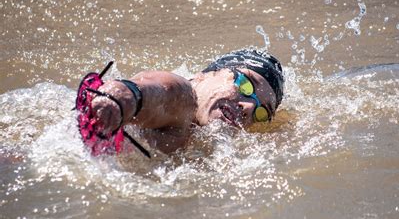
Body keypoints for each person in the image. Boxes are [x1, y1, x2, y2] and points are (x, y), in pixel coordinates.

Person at [89, 49, 284, 159]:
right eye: (245, 84)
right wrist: (123, 98)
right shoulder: (185, 95)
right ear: (206, 74)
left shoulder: (211, 145)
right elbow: (166, 93)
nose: (249, 107)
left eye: (261, 112)